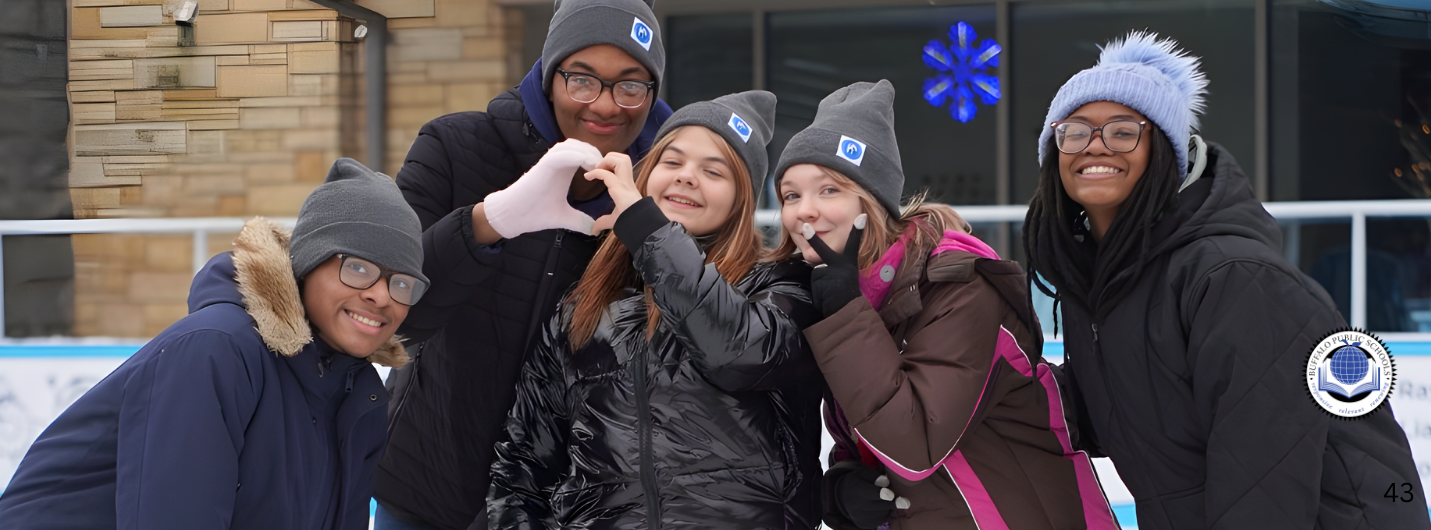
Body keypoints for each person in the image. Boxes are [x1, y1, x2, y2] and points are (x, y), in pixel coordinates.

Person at [1022, 32, 1428, 529]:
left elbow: (1264, 481)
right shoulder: (1107, 286)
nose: (1096, 145)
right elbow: (1121, 408)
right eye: (1076, 131)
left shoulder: (1233, 278)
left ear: (1164, 151)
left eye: (1124, 131)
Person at [0, 159, 426, 530]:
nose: (382, 295)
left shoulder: (360, 395)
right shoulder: (216, 350)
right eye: (357, 268)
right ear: (309, 262)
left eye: (402, 283)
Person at [768, 80, 1116, 529]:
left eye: (829, 190)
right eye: (791, 195)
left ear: (871, 202)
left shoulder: (960, 287)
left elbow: (915, 444)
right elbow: (861, 435)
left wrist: (843, 312)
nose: (804, 211)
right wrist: (841, 491)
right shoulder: (844, 299)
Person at [380, 0, 673, 528]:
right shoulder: (453, 147)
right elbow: (397, 316)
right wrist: (489, 221)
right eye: (582, 79)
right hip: (428, 484)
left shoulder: (667, 194)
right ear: (549, 75)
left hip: (563, 505)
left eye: (631, 85)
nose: (607, 105)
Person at [486, 90, 827, 528]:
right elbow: (523, 467)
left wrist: (647, 230)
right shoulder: (583, 307)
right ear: (648, 175)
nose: (687, 177)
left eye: (713, 171)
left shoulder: (780, 285)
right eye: (672, 162)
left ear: (742, 198)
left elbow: (738, 352)